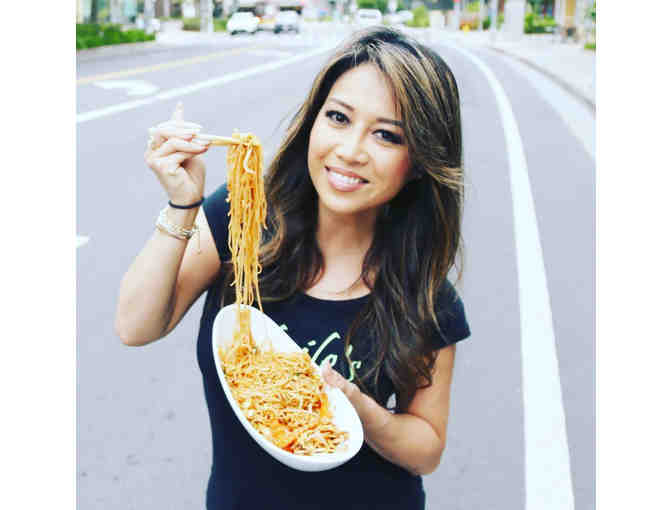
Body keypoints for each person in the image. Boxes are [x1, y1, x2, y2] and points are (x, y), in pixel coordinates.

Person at [116, 26, 471, 510]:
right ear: (313, 121)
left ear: (419, 162)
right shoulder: (242, 216)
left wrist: (359, 410)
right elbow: (135, 326)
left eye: (386, 135)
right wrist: (183, 204)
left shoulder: (426, 294)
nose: (350, 150)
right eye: (338, 117)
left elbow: (426, 447)